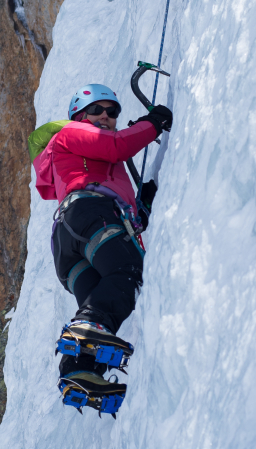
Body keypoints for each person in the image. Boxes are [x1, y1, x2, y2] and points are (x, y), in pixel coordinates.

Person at [28, 83, 172, 416]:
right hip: (90, 215)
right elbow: (118, 147)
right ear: (78, 115)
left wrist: (143, 206)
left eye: (113, 111)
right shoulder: (70, 135)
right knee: (128, 274)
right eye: (97, 110)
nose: (106, 116)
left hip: (68, 243)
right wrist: (153, 123)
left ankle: (79, 371)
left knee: (107, 304)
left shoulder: (82, 162)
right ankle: (88, 331)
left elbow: (112, 180)